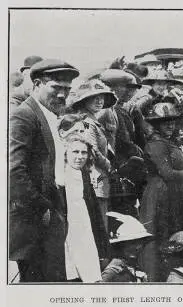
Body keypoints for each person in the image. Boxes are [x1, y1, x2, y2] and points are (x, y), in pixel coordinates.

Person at [9, 59, 79, 282]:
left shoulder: (46, 115)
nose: (62, 95)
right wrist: (41, 208)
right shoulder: (24, 115)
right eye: (56, 88)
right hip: (35, 219)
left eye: (66, 89)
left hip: (49, 213)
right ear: (37, 84)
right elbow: (13, 171)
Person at [139, 102, 183, 282]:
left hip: (175, 194)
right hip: (161, 196)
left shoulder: (169, 142)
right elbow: (166, 173)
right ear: (156, 124)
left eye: (172, 121)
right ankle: (160, 276)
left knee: (178, 232)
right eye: (165, 122)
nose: (170, 125)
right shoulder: (155, 144)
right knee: (162, 234)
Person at [57, 133, 111, 282]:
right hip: (66, 227)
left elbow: (93, 209)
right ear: (66, 154)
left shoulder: (84, 175)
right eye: (75, 152)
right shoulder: (59, 175)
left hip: (83, 224)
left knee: (88, 270)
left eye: (84, 152)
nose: (80, 156)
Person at [64, 80, 117, 226]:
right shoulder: (86, 122)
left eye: (102, 97)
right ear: (84, 100)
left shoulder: (93, 121)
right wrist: (108, 165)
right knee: (98, 224)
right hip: (95, 178)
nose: (99, 100)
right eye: (94, 97)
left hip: (99, 178)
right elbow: (91, 149)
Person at [97, 69, 146, 217]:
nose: (127, 91)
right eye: (125, 87)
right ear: (113, 88)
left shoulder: (117, 109)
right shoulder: (104, 112)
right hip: (112, 169)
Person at [101, 212, 153, 282]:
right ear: (122, 244)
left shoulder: (132, 265)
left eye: (141, 243)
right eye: (133, 243)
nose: (138, 247)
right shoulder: (114, 270)